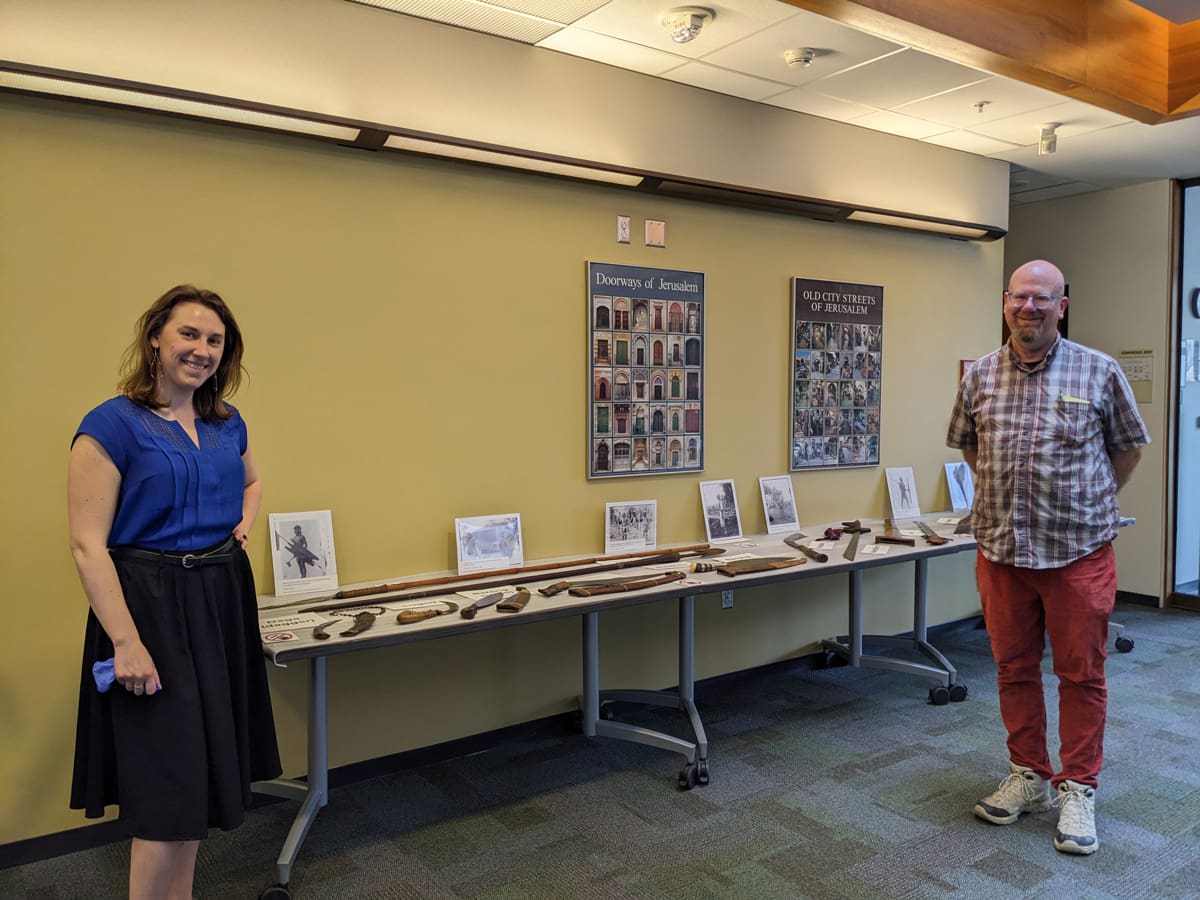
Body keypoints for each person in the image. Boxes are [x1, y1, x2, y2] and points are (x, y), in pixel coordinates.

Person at [68, 285, 282, 898]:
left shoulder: (225, 422)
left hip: (219, 604)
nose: (202, 349)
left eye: (215, 340)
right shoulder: (110, 425)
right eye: (189, 334)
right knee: (166, 788)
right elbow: (88, 545)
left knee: (200, 779)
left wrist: (241, 520)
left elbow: (255, 479)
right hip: (150, 610)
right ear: (156, 338)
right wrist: (126, 643)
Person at [946, 260, 1149, 857]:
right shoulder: (980, 376)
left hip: (1077, 554)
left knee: (1081, 675)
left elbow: (1129, 450)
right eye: (1019, 298)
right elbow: (968, 445)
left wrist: (1088, 499)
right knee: (1013, 670)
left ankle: (1079, 786)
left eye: (1043, 299)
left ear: (1063, 305)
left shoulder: (1099, 370)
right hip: (1002, 552)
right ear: (1005, 302)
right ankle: (1029, 775)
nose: (1028, 308)